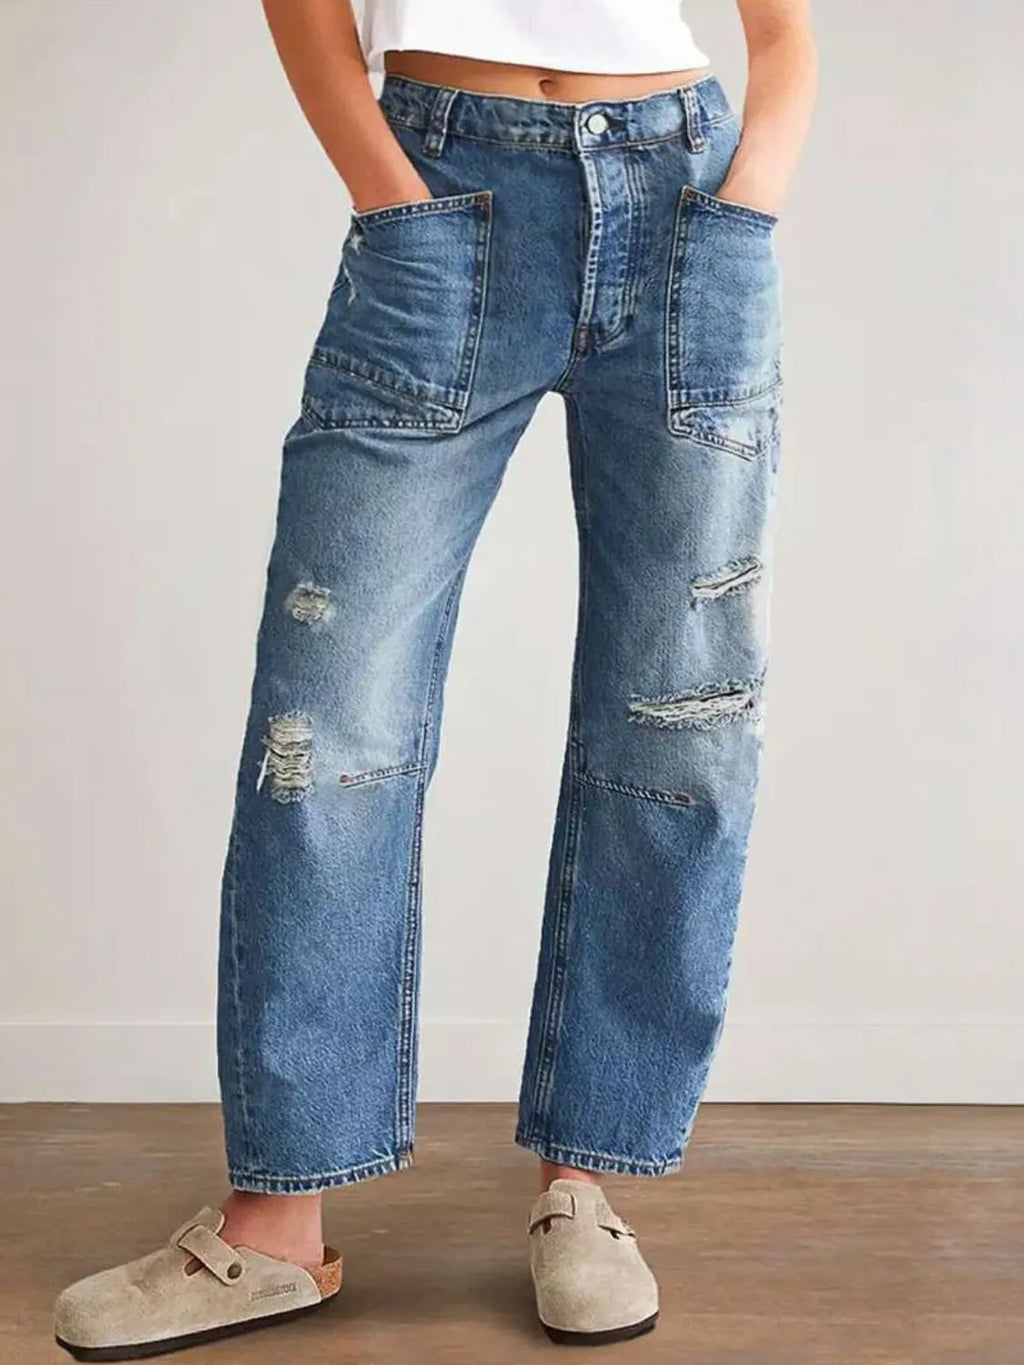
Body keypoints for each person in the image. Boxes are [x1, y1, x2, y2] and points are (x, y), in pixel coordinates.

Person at [54, 0, 817, 1356]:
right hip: (442, 197)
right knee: (327, 722)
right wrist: (388, 191)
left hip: (688, 208)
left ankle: (584, 1184)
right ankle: (276, 1222)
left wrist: (750, 194)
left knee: (677, 715)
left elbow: (786, 31)